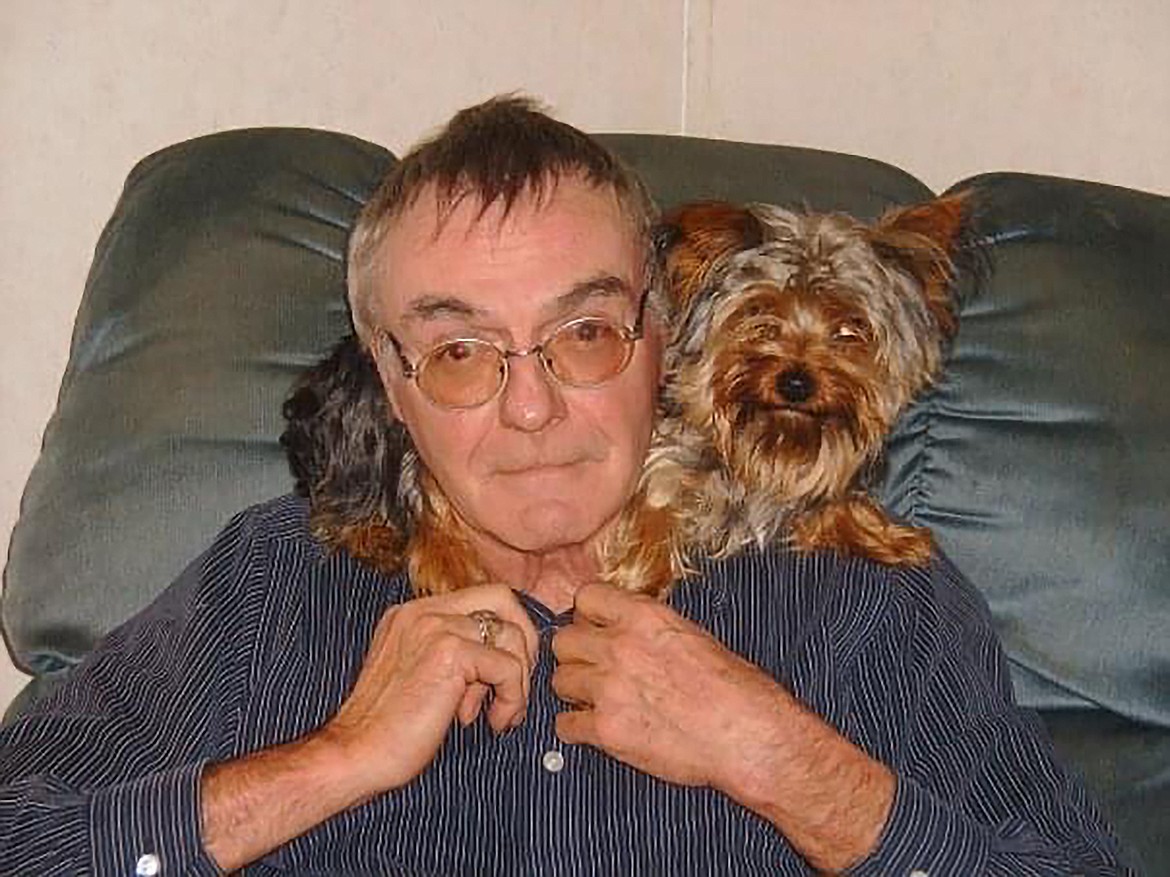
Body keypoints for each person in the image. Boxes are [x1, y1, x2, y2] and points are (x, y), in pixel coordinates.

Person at [0, 96, 1134, 876]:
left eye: (582, 332)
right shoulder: (272, 584)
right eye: (457, 351)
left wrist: (787, 762)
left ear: (662, 338)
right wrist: (326, 763)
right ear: (389, 384)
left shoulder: (871, 602)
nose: (529, 406)